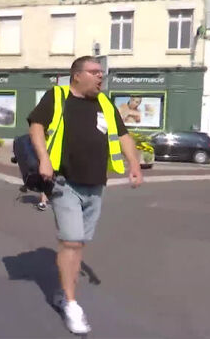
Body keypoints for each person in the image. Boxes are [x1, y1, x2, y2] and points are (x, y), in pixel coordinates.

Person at [28, 56, 143, 335]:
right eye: (94, 72)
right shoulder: (57, 96)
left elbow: (124, 135)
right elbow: (36, 126)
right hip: (64, 183)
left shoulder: (105, 103)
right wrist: (44, 159)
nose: (100, 77)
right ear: (76, 76)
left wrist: (135, 165)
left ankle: (62, 292)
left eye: (101, 72)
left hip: (95, 185)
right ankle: (70, 303)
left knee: (79, 244)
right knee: (72, 242)